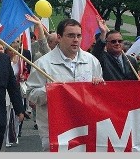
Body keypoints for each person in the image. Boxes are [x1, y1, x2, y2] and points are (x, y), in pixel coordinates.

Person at [27, 19, 104, 151]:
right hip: (55, 131)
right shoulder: (43, 64)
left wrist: (100, 87)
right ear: (59, 37)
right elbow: (31, 95)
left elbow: (100, 98)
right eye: (70, 35)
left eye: (78, 36)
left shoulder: (92, 61)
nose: (75, 40)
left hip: (85, 127)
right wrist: (50, 91)